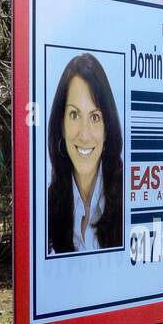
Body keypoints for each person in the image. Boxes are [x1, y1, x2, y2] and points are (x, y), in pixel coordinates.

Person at [47, 53, 124, 253]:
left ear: (108, 128)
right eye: (74, 114)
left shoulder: (129, 198)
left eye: (95, 117)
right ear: (61, 124)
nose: (85, 134)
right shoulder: (45, 207)